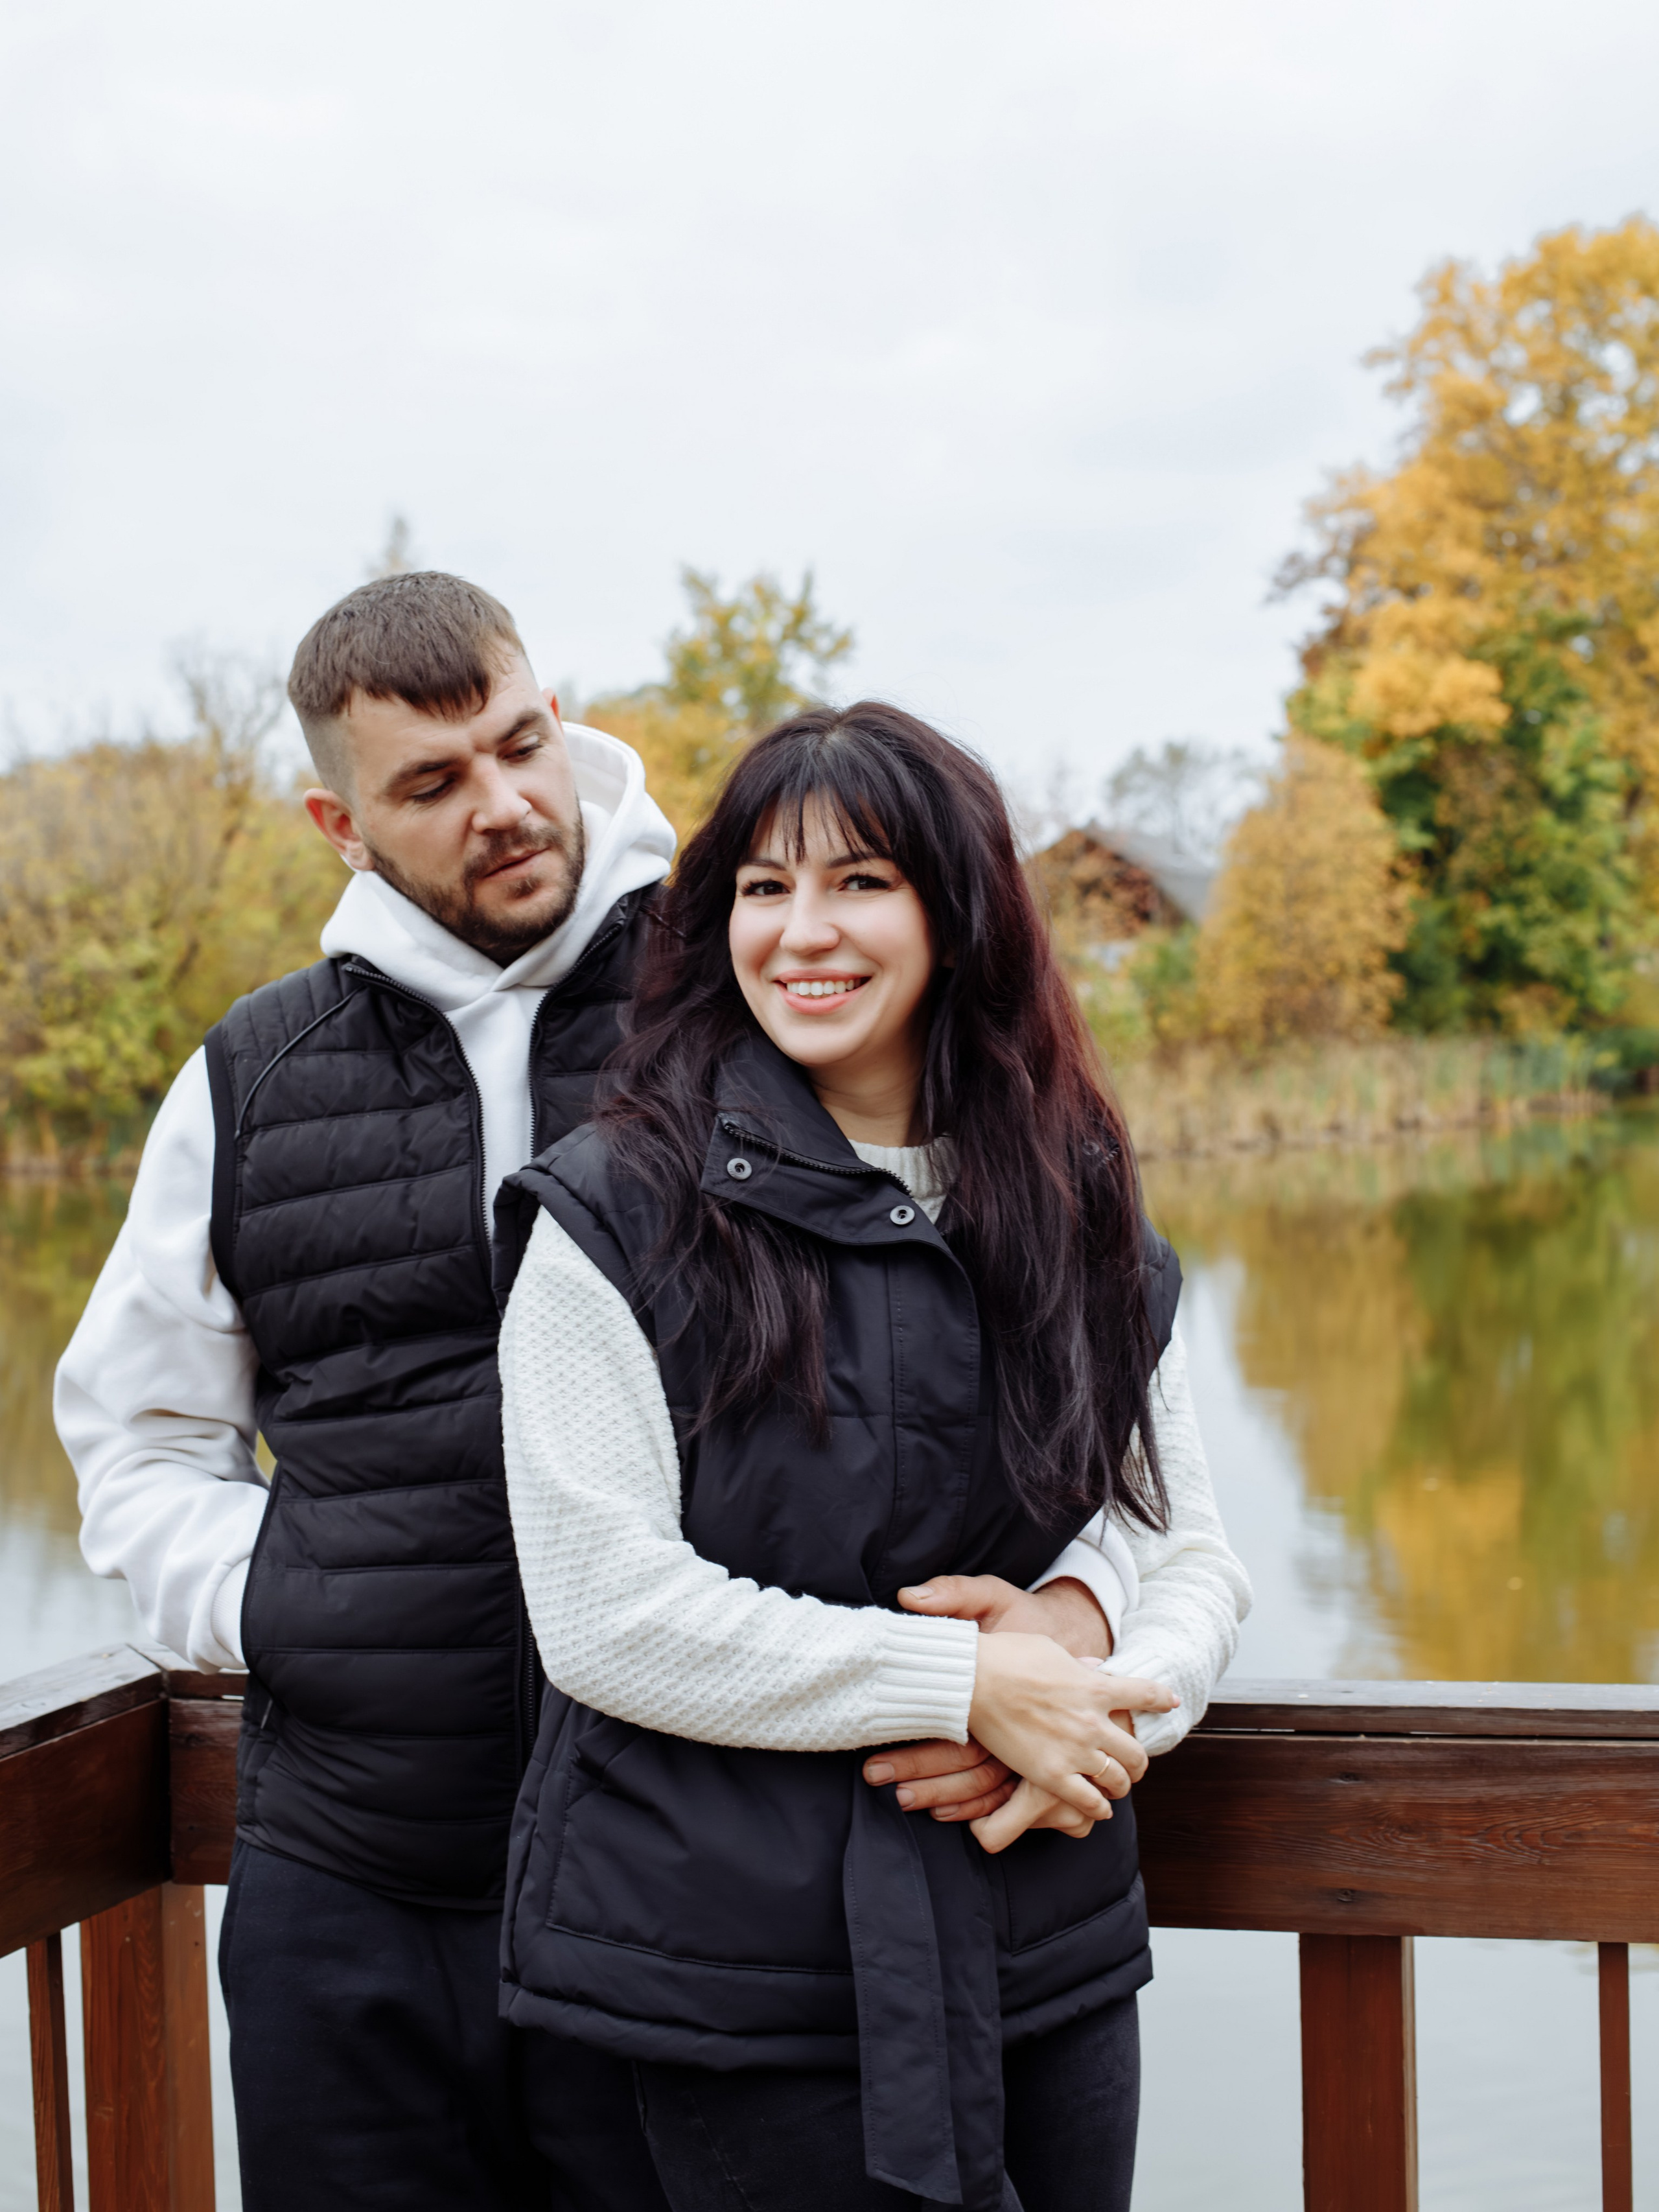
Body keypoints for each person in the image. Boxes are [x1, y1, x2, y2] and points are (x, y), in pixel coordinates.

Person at [52, 577, 1154, 2210]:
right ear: (335, 820)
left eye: (519, 744)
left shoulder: (745, 999)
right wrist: (289, 1602)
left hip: (691, 1893)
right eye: (429, 784)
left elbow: (1037, 1360)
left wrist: (1081, 1605)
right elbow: (134, 1438)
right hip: (363, 1875)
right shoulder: (252, 1080)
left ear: (557, 717)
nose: (501, 806)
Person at [494, 702, 1252, 2211]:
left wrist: (1088, 1689)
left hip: (1040, 1926)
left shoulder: (1070, 1199)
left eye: (859, 881)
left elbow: (1185, 1549)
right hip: (733, 1975)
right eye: (764, 889)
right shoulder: (613, 1215)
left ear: (957, 917)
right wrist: (968, 1683)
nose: (802, 932)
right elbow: (602, 1612)